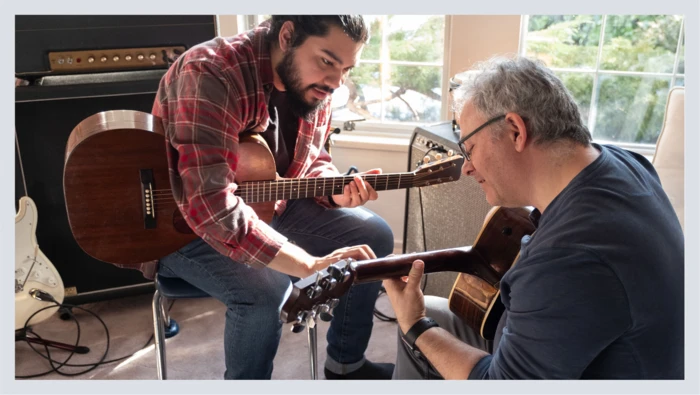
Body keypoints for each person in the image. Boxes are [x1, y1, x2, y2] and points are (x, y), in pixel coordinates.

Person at [384, 55, 684, 379]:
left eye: (468, 148)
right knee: (433, 312)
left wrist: (417, 326)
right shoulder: (623, 163)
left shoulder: (569, 258)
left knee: (417, 327)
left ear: (515, 130)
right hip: (558, 350)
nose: (467, 166)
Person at [151, 15, 395, 380]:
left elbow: (312, 162)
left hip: (268, 206)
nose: (336, 82)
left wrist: (336, 192)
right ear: (287, 35)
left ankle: (347, 366)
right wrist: (304, 264)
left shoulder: (316, 86)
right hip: (179, 225)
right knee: (268, 290)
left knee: (374, 234)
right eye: (328, 61)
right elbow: (209, 204)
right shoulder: (210, 73)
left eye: (346, 68)